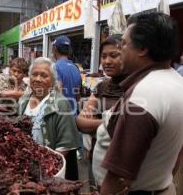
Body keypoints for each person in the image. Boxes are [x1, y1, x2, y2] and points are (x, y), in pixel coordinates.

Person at [94, 11, 183, 194]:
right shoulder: (176, 81)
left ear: (142, 49)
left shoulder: (145, 95)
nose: (121, 50)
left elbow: (117, 176)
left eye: (124, 44)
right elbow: (178, 154)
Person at [18, 57, 79, 180]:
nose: (38, 79)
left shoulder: (61, 104)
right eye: (34, 74)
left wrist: (46, 170)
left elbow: (65, 145)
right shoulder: (23, 101)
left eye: (44, 75)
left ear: (52, 81)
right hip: (26, 168)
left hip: (48, 171)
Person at [76, 34, 125, 159]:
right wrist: (111, 124)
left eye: (114, 55)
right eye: (103, 56)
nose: (107, 61)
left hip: (121, 162)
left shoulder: (136, 87)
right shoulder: (102, 86)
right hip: (96, 156)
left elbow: (128, 129)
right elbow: (80, 122)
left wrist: (94, 124)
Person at [52, 35, 82, 113]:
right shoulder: (76, 67)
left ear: (55, 49)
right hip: (74, 115)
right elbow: (78, 96)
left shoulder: (55, 67)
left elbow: (59, 93)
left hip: (62, 116)